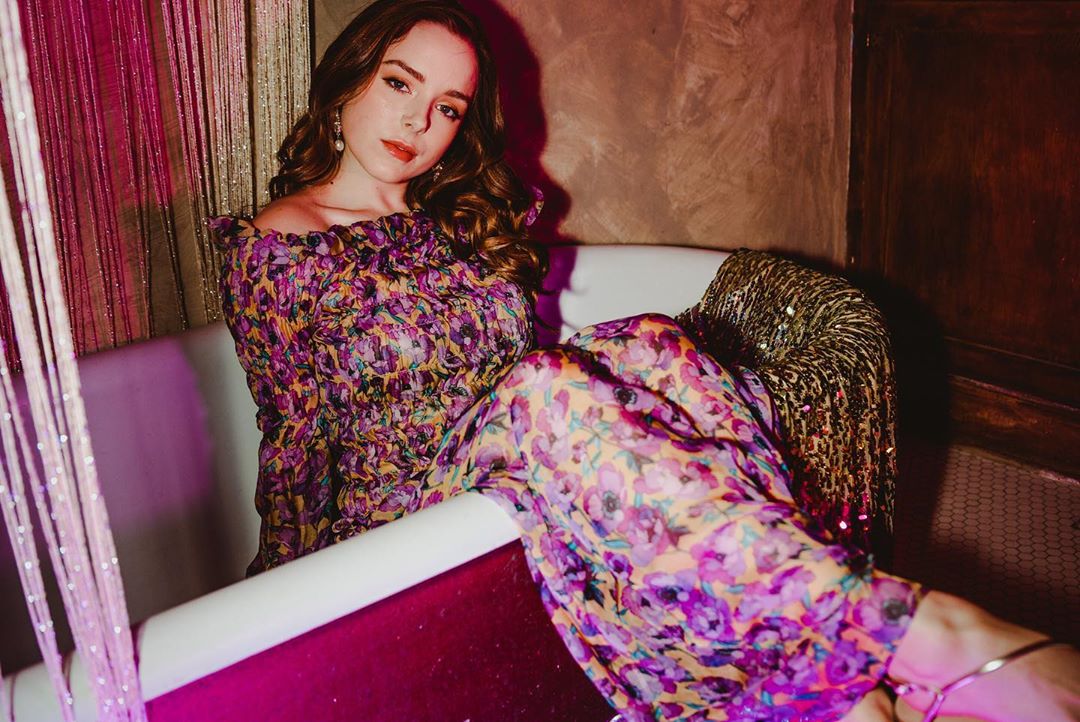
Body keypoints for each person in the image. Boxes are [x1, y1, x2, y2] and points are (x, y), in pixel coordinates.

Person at [209, 1, 1079, 720]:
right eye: (400, 83)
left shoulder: (455, 220)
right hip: (393, 511)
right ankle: (916, 632)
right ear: (348, 79)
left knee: (651, 341)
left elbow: (508, 374)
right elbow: (300, 438)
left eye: (448, 107)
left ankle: (823, 675)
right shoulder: (282, 246)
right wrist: (289, 595)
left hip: (498, 455)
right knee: (548, 384)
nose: (417, 121)